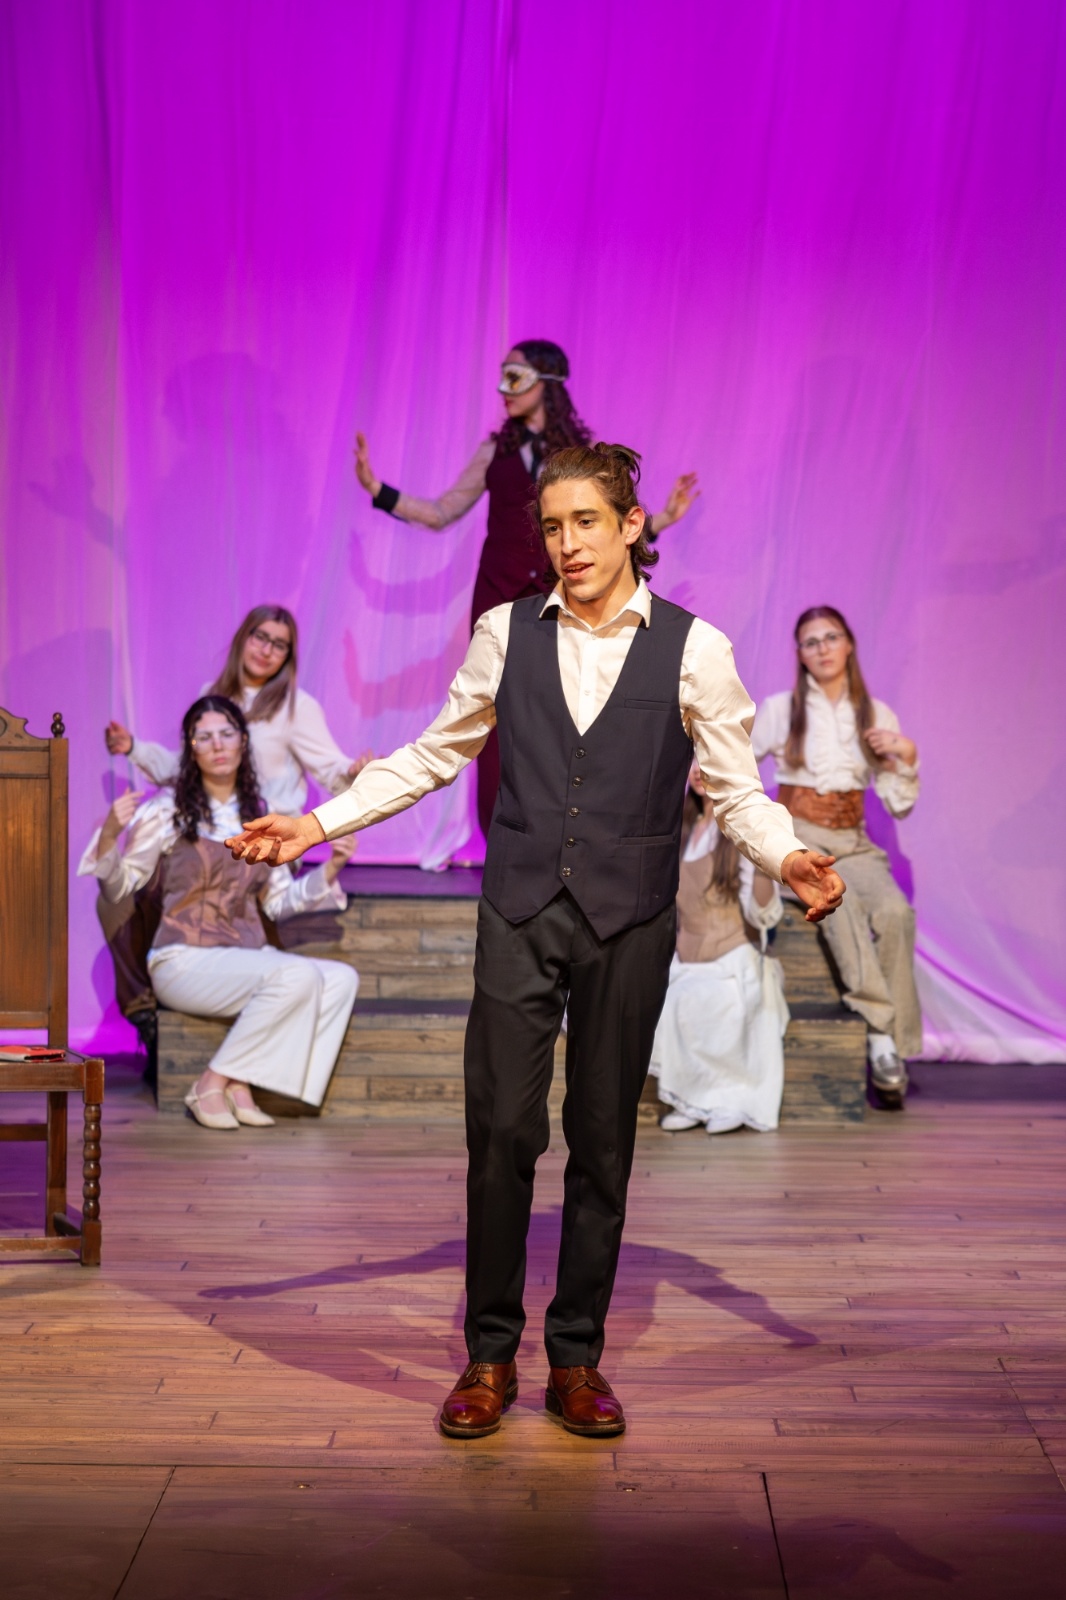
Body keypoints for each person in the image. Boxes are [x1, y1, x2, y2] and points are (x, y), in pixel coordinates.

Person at [225, 442, 844, 1441]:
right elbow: (436, 753)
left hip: (629, 916)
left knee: (602, 1137)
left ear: (631, 525)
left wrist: (788, 854)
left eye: (586, 522)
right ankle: (488, 1354)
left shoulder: (696, 649)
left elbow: (735, 791)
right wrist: (318, 823)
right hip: (520, 905)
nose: (568, 544)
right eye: (553, 527)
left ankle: (576, 1357)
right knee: (504, 1129)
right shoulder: (504, 631)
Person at [354, 340, 699, 837]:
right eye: (502, 376)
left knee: (565, 707)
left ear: (548, 382)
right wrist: (377, 490)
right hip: (499, 593)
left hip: (563, 598)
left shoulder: (580, 457)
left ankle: (563, 831)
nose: (503, 390)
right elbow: (442, 511)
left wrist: (662, 518)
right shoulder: (495, 451)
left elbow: (607, 528)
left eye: (514, 377)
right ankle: (499, 834)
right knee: (494, 713)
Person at [80, 695, 359, 1129]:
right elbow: (120, 887)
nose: (217, 745)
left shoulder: (262, 815)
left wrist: (332, 869)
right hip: (182, 958)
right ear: (191, 749)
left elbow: (278, 902)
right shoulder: (167, 811)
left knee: (342, 979)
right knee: (297, 974)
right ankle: (211, 1083)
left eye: (227, 734)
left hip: (244, 956)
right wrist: (109, 837)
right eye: (204, 737)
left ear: (243, 742)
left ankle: (243, 1081)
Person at [100, 605, 367, 1049]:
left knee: (252, 921)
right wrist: (135, 750)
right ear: (244, 637)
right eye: (261, 637)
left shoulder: (296, 707)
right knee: (119, 900)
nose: (267, 650)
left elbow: (331, 766)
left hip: (264, 838)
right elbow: (183, 767)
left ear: (289, 656)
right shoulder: (212, 695)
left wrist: (354, 772)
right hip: (205, 833)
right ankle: (146, 1014)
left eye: (280, 645)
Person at [752, 606, 921, 1108]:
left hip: (854, 836)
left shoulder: (875, 714)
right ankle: (881, 1037)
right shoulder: (782, 709)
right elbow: (737, 763)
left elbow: (899, 805)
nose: (823, 648)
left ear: (848, 644)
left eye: (831, 637)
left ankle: (895, 1038)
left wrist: (906, 756)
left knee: (896, 913)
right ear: (800, 654)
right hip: (800, 833)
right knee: (837, 904)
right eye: (811, 641)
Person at [649, 762, 789, 1134]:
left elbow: (762, 914)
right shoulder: (681, 828)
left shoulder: (738, 831)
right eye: (692, 761)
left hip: (732, 956)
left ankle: (730, 1099)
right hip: (687, 955)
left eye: (707, 759)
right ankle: (692, 1098)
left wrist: (765, 864)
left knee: (710, 1001)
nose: (698, 769)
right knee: (661, 999)